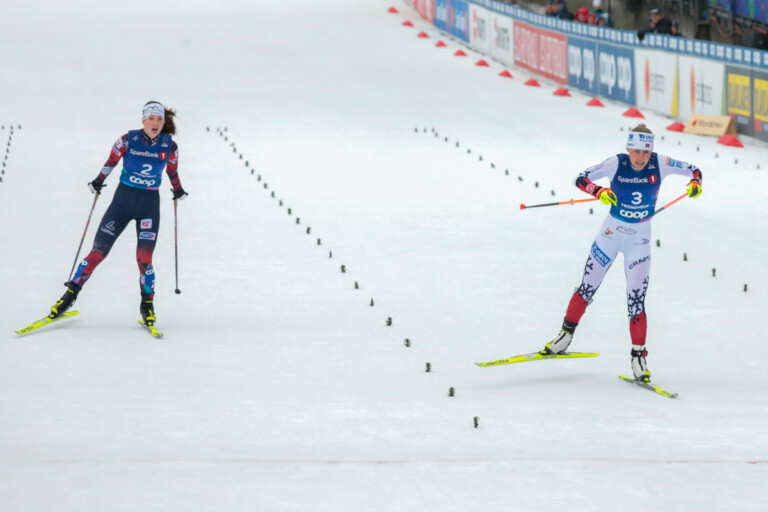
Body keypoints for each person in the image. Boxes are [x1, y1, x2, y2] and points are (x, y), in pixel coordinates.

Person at [541, 124, 702, 382]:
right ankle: (565, 335)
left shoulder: (660, 163)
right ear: (628, 148)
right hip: (610, 236)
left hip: (639, 241)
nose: (640, 157)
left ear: (652, 151)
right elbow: (580, 178)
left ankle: (639, 357)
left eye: (645, 153)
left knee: (636, 300)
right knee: (587, 288)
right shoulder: (616, 163)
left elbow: (695, 170)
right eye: (636, 151)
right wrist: (599, 191)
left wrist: (695, 183)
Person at [49, 101, 188, 329]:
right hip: (122, 203)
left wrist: (178, 190)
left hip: (149, 206)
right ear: (143, 120)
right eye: (151, 118)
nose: (155, 123)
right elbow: (110, 163)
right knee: (98, 252)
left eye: (159, 119)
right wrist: (97, 182)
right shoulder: (127, 140)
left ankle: (147, 305)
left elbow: (172, 171)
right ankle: (68, 297)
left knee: (144, 259)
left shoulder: (169, 146)